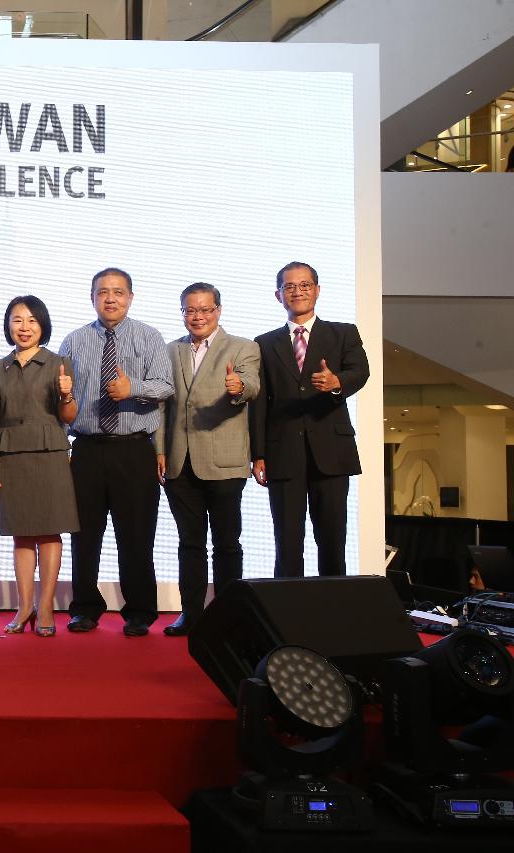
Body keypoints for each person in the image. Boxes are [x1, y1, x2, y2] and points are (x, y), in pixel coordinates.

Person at [59, 267, 173, 637]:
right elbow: (62, 398)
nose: (110, 298)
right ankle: (84, 608)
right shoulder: (74, 341)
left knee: (136, 536)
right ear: (92, 298)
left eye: (118, 292)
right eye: (102, 292)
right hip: (88, 450)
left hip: (133, 451)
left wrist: (132, 388)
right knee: (84, 535)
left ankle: (139, 611)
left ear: (131, 297)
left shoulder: (150, 337)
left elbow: (165, 386)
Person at [250, 261, 369, 578]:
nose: (297, 291)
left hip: (331, 450)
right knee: (287, 541)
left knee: (332, 539)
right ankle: (288, 613)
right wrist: (258, 453)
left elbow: (360, 371)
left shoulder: (342, 333)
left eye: (304, 285)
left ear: (317, 290)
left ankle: (333, 612)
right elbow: (260, 401)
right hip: (282, 451)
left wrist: (337, 383)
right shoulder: (263, 343)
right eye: (289, 286)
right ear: (279, 295)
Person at [155, 283, 260, 637]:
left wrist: (237, 388)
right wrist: (159, 450)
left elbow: (251, 385)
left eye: (205, 310)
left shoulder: (244, 347)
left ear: (218, 310)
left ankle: (230, 617)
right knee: (190, 543)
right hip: (178, 463)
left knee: (227, 543)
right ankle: (192, 615)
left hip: (225, 462)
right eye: (190, 310)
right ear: (182, 311)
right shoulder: (170, 350)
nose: (197, 317)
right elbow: (162, 406)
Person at [0, 295, 79, 637]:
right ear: (8, 325)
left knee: (49, 532)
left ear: (43, 326)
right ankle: (24, 608)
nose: (24, 327)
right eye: (17, 320)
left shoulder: (58, 363)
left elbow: (69, 416)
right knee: (20, 534)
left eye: (32, 321)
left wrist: (67, 395)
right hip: (10, 454)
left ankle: (47, 606)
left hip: (50, 452)